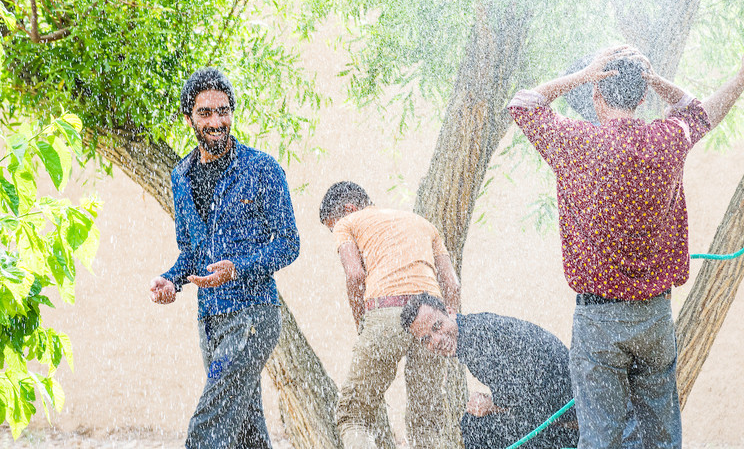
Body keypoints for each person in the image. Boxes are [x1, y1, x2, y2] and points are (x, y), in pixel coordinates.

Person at [508, 45, 744, 448]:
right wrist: (669, 78)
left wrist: (584, 74)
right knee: (661, 439)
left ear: (596, 96)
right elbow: (699, 110)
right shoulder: (667, 139)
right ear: (644, 98)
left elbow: (523, 104)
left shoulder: (576, 142)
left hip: (598, 322)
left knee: (600, 440)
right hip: (655, 318)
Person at [149, 67, 300, 449]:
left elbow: (289, 243)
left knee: (209, 423)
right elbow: (193, 250)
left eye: (223, 110)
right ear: (189, 119)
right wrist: (172, 279)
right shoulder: (180, 175)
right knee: (244, 428)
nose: (216, 121)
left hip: (253, 314)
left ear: (232, 112)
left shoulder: (262, 169)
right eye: (205, 113)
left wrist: (238, 269)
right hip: (210, 319)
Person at [320, 181, 460, 449]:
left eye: (331, 227)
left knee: (353, 416)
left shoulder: (347, 224)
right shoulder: (422, 223)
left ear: (349, 209)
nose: (334, 232)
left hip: (386, 312)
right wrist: (450, 321)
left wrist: (362, 323)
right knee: (426, 419)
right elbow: (452, 284)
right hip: (433, 318)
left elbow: (355, 274)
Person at [400, 292, 580, 449]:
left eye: (437, 326)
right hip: (564, 415)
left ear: (450, 311)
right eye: (426, 339)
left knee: (475, 426)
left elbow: (516, 396)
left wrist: (490, 405)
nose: (437, 340)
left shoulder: (476, 339)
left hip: (572, 426)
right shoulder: (475, 329)